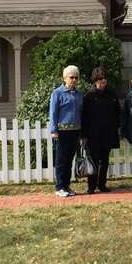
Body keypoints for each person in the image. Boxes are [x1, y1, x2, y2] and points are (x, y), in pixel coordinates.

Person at [81, 67, 121, 194]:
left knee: (105, 161)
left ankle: (102, 184)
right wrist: (84, 134)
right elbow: (85, 116)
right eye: (100, 79)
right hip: (93, 134)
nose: (102, 81)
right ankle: (91, 186)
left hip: (108, 133)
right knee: (93, 160)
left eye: (104, 78)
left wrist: (116, 127)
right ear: (95, 80)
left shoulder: (112, 94)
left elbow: (117, 112)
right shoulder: (89, 96)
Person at [49, 65, 83, 197]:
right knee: (61, 159)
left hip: (75, 130)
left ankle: (67, 185)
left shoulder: (79, 93)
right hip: (62, 131)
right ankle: (60, 186)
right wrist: (54, 130)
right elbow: (53, 113)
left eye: (76, 77)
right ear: (65, 78)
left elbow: (81, 111)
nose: (74, 80)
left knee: (69, 159)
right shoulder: (57, 93)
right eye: (71, 77)